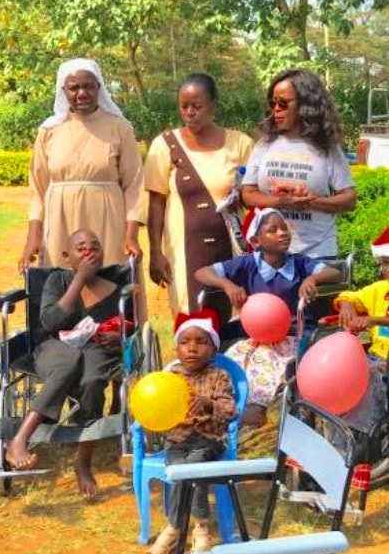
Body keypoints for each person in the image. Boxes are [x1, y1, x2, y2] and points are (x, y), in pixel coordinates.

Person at [6, 229, 134, 497]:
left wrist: (119, 337)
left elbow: (129, 330)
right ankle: (20, 439)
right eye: (81, 247)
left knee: (92, 381)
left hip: (97, 350)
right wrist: (79, 280)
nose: (89, 251)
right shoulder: (57, 280)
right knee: (68, 361)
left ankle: (83, 463)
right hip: (53, 347)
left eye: (95, 247)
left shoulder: (116, 290)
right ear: (67, 256)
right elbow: (51, 322)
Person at [195, 208, 341, 426]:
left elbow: (334, 273)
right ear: (256, 240)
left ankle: (258, 407)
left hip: (294, 332)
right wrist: (228, 284)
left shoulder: (300, 263)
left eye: (284, 228)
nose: (282, 233)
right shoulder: (248, 263)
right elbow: (202, 273)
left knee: (265, 358)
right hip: (258, 334)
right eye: (272, 230)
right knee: (236, 354)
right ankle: (225, 401)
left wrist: (313, 279)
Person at [19, 58, 145, 272]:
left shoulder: (120, 127)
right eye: (74, 88)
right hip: (61, 224)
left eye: (88, 86)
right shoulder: (48, 131)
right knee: (63, 289)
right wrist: (33, 238)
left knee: (108, 288)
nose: (81, 93)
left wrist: (131, 236)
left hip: (108, 224)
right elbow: (37, 191)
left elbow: (135, 186)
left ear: (99, 88)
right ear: (63, 91)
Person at [144, 73, 252, 317]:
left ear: (213, 105)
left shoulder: (240, 144)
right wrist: (155, 252)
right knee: (190, 316)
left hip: (232, 248)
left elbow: (253, 194)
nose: (190, 112)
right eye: (184, 106)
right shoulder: (164, 145)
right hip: (183, 250)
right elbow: (156, 201)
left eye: (197, 105)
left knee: (234, 315)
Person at [145, 313, 236, 554]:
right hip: (177, 441)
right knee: (178, 471)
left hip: (209, 440)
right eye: (185, 342)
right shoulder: (170, 378)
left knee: (191, 469)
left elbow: (229, 410)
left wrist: (208, 404)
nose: (192, 348)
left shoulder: (218, 376)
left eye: (201, 342)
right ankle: (178, 527)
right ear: (176, 348)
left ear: (214, 349)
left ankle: (198, 526)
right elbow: (154, 407)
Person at [241, 67, 356, 258]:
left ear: (305, 105)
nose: (276, 109)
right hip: (271, 256)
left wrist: (311, 202)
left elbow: (349, 199)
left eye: (283, 103)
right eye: (273, 103)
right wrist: (281, 202)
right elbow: (248, 194)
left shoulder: (327, 147)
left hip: (318, 255)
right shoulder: (264, 144)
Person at [332, 226, 389, 435]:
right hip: (376, 356)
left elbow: (375, 320)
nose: (384, 269)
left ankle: (353, 441)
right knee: (342, 375)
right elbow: (350, 295)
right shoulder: (380, 288)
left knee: (371, 379)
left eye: (388, 263)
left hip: (383, 364)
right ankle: (341, 435)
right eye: (382, 263)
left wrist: (374, 320)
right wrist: (347, 304)